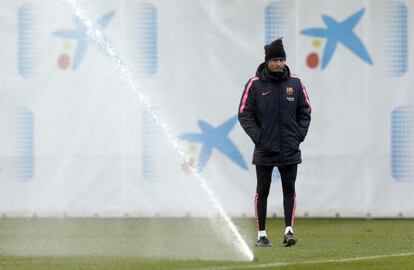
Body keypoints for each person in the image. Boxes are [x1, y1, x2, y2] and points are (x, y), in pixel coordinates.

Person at [238, 38, 311, 247]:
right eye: (275, 60)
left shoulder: (295, 83)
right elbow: (244, 114)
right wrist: (259, 138)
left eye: (281, 59)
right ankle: (262, 235)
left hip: (289, 148)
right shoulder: (255, 84)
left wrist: (298, 136)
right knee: (263, 191)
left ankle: (289, 231)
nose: (279, 64)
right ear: (267, 61)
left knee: (290, 189)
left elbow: (305, 111)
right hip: (265, 150)